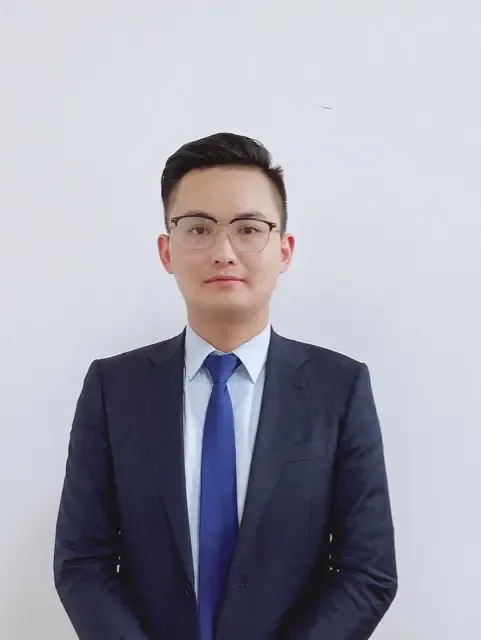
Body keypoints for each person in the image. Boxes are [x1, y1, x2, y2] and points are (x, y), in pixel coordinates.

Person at [54, 132, 397, 640]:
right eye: (198, 229)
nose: (224, 251)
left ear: (284, 250)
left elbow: (368, 570)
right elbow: (82, 561)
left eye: (248, 229)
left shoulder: (339, 388)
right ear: (167, 251)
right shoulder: (114, 388)